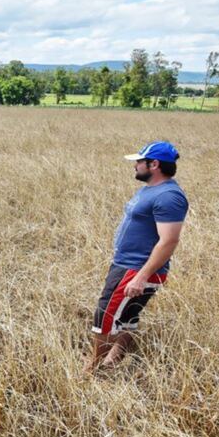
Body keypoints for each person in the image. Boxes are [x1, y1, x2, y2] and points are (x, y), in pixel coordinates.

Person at [88, 141, 189, 372]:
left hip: (136, 269)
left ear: (154, 164)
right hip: (126, 264)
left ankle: (91, 370)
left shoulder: (169, 197)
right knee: (127, 317)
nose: (135, 165)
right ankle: (111, 362)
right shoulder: (151, 188)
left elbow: (169, 241)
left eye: (139, 161)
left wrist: (142, 276)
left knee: (104, 316)